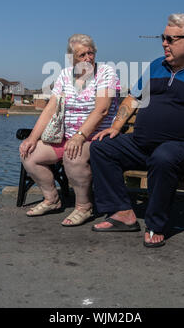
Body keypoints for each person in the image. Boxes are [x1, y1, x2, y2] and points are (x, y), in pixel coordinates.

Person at [89, 14, 184, 247]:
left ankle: (156, 224)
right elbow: (133, 99)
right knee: (102, 148)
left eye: (170, 39)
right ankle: (122, 213)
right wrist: (115, 127)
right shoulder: (157, 66)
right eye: (163, 38)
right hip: (143, 144)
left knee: (163, 157)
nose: (164, 43)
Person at [19, 33, 120, 226]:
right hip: (66, 136)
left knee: (72, 155)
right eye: (82, 55)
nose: (88, 58)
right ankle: (52, 200)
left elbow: (102, 109)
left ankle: (84, 207)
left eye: (90, 53)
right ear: (71, 59)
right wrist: (32, 138)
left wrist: (80, 136)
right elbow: (50, 108)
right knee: (29, 155)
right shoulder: (65, 75)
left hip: (95, 137)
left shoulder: (106, 72)